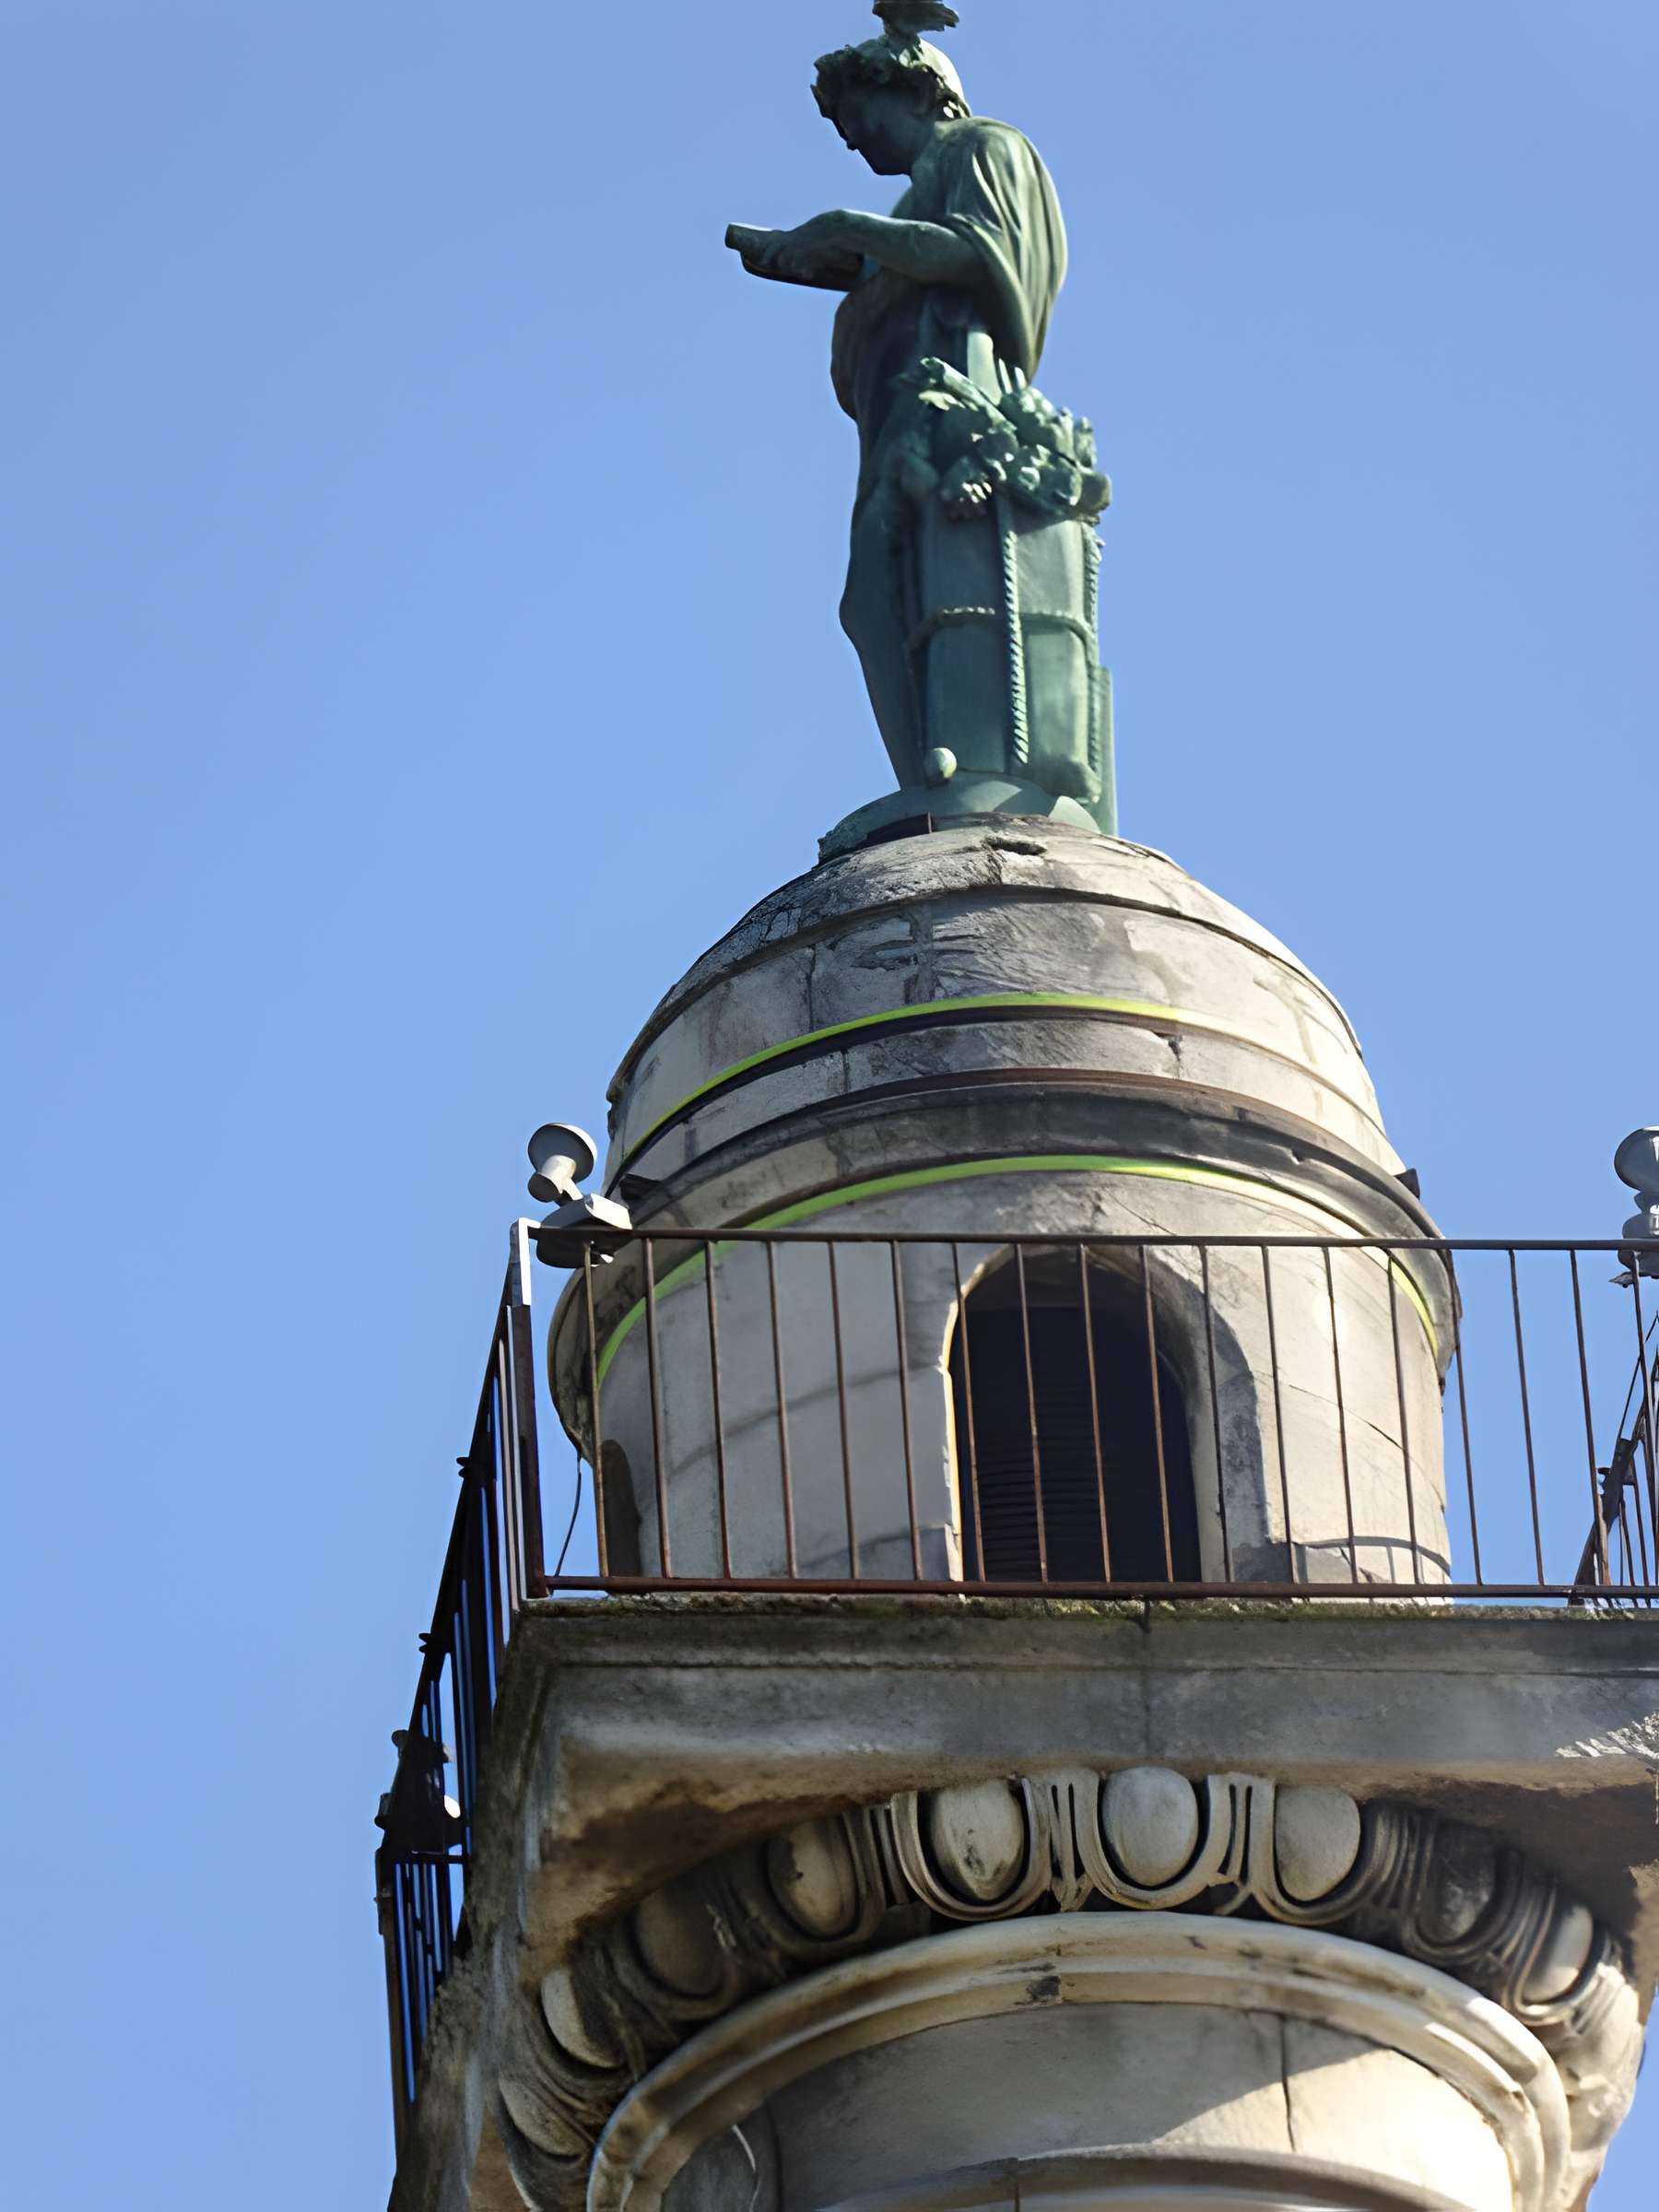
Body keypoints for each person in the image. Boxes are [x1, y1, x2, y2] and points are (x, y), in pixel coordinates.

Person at [731, 9, 1099, 810]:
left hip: (955, 406)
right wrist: (831, 257)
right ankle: (928, 776)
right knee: (875, 599)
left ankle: (973, 772)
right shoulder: (907, 206)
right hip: (898, 424)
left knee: (952, 586)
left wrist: (840, 228)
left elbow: (978, 252)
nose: (856, 143)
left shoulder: (983, 148)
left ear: (918, 92)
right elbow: (903, 260)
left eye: (861, 120)